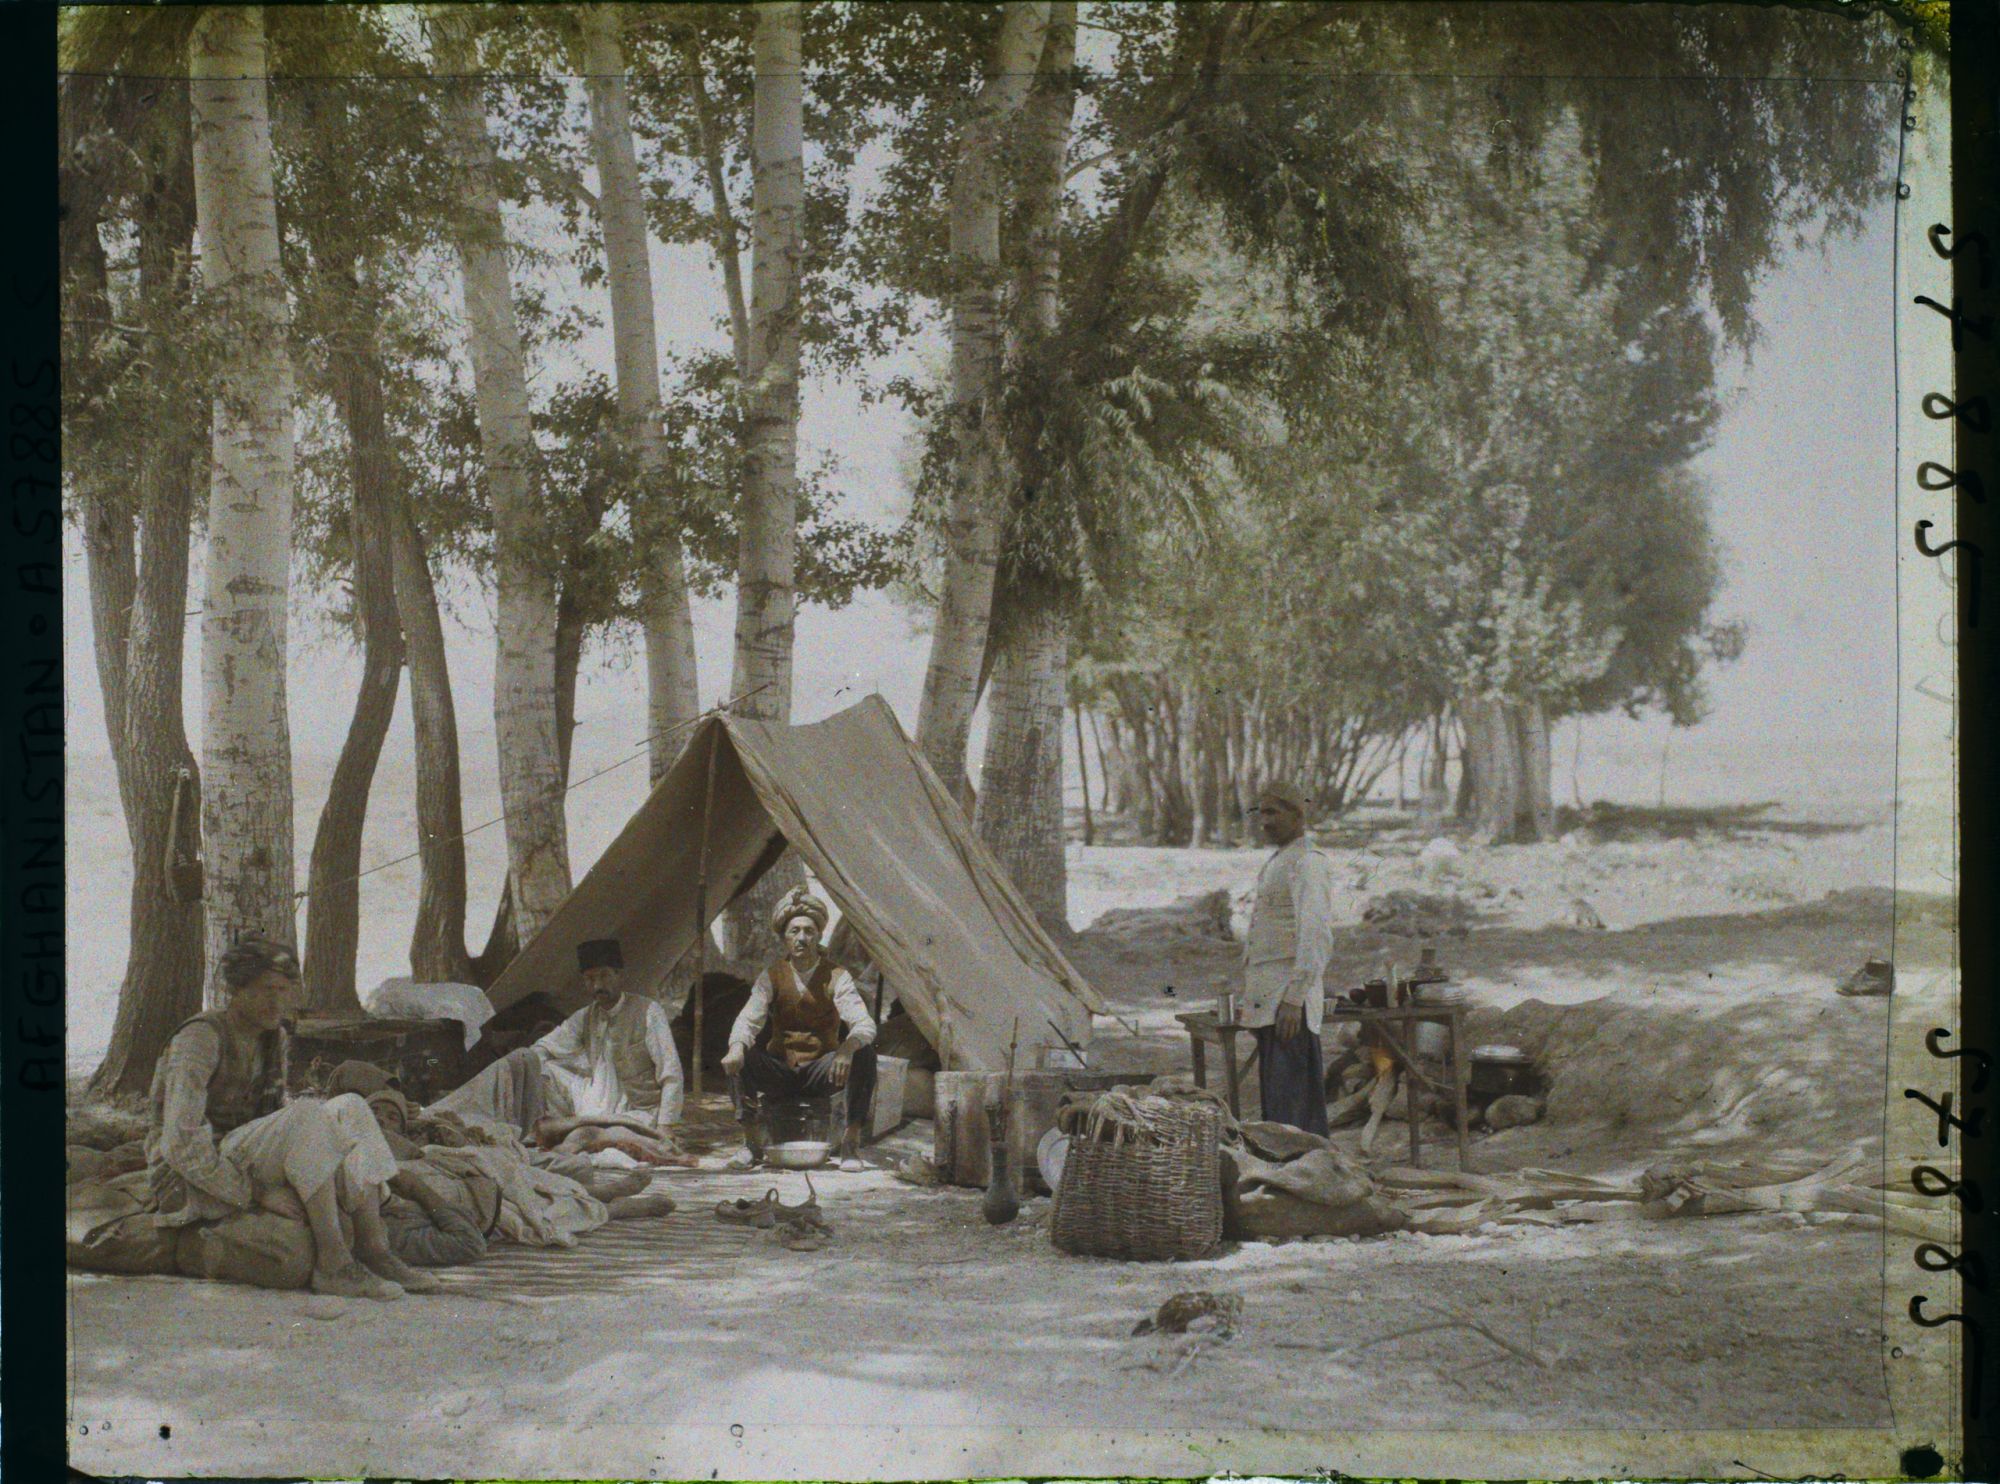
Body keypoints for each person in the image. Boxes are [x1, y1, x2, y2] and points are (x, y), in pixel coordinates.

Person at [146, 938, 436, 1300]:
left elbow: (270, 1120)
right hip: (190, 1174)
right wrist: (254, 1192)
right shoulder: (200, 1039)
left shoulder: (273, 1037)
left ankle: (375, 1250)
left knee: (350, 1106)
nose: (278, 1002)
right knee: (306, 1113)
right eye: (267, 990)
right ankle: (334, 1264)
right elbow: (180, 1144)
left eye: (285, 991)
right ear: (236, 990)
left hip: (240, 1153)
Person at [435, 938, 684, 1151]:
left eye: (604, 976)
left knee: (599, 1138)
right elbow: (546, 1046)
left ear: (619, 975)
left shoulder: (649, 1011)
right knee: (529, 1062)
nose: (597, 986)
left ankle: (553, 1132)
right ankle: (469, 1118)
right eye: (590, 979)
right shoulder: (586, 1015)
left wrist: (666, 1126)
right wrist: (522, 1064)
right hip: (593, 1100)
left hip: (637, 1110)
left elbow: (671, 1073)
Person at [720, 887, 878, 1172]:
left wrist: (846, 1049)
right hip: (781, 1070)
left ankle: (850, 1144)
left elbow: (863, 1023)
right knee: (739, 1055)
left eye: (808, 931)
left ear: (819, 936)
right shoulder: (771, 976)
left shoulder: (837, 976)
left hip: (820, 1070)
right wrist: (736, 1048)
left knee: (864, 1053)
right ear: (784, 938)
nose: (802, 938)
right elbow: (748, 1020)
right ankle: (751, 1144)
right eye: (794, 931)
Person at [1239, 782, 1337, 1134]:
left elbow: (1315, 935)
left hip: (1287, 1004)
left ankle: (1303, 1177)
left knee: (1294, 1108)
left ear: (1298, 815)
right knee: (1279, 1107)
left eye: (1273, 812)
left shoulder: (1308, 863)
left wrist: (1294, 999)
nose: (1264, 821)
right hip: (1270, 1002)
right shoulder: (1281, 861)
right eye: (1261, 813)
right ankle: (1286, 1177)